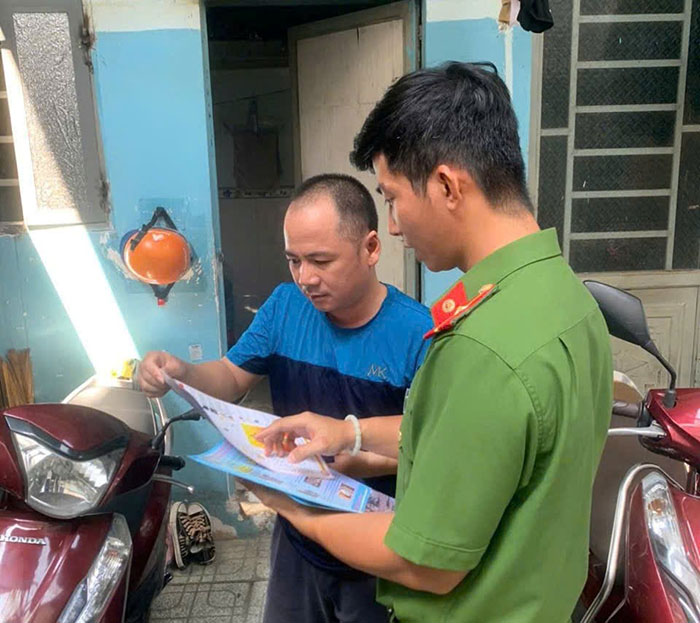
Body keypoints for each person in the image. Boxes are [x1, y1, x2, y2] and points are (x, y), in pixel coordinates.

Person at [252, 62, 613, 623]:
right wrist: (348, 431)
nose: (394, 226)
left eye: (393, 197)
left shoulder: (483, 346)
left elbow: (424, 564)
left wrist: (294, 506)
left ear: (446, 186)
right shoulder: (564, 298)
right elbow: (476, 444)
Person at [137, 173, 432, 623]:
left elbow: (432, 443)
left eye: (321, 261)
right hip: (297, 535)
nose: (305, 278)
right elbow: (230, 377)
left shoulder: (418, 333)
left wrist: (355, 458)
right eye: (294, 260)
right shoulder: (284, 306)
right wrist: (183, 373)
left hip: (375, 546)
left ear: (371, 248)